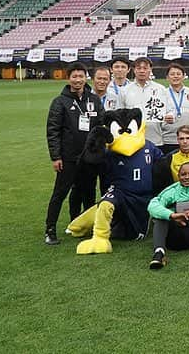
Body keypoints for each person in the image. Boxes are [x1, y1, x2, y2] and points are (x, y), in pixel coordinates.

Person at [44, 62, 105, 245]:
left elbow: (101, 123)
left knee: (88, 193)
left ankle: (86, 226)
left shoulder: (93, 100)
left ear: (86, 77)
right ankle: (50, 230)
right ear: (68, 78)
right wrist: (56, 157)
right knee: (60, 193)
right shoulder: (60, 102)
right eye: (74, 76)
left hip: (89, 157)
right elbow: (53, 131)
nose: (78, 80)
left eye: (81, 76)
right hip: (68, 158)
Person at [119, 57, 168, 147]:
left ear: (150, 70)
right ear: (134, 70)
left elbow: (167, 111)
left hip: (155, 139)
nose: (142, 71)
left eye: (145, 68)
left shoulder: (161, 89)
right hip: (132, 140)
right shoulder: (125, 90)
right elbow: (120, 114)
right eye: (139, 68)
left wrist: (168, 117)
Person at [161, 63, 189, 151]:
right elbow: (157, 115)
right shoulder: (161, 94)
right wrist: (163, 118)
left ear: (184, 76)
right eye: (172, 74)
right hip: (168, 139)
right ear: (167, 77)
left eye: (178, 74)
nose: (175, 76)